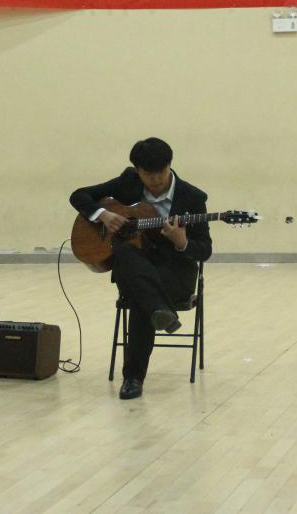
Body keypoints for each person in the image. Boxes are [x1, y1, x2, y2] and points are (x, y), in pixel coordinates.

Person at [70, 137, 212, 400]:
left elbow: (205, 249)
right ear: (137, 171)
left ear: (170, 165)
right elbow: (78, 195)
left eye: (161, 172)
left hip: (174, 274)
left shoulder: (192, 197)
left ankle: (133, 378)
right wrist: (103, 214)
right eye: (148, 174)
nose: (155, 180)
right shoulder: (128, 182)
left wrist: (182, 243)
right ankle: (159, 311)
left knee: (140, 296)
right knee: (125, 252)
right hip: (135, 267)